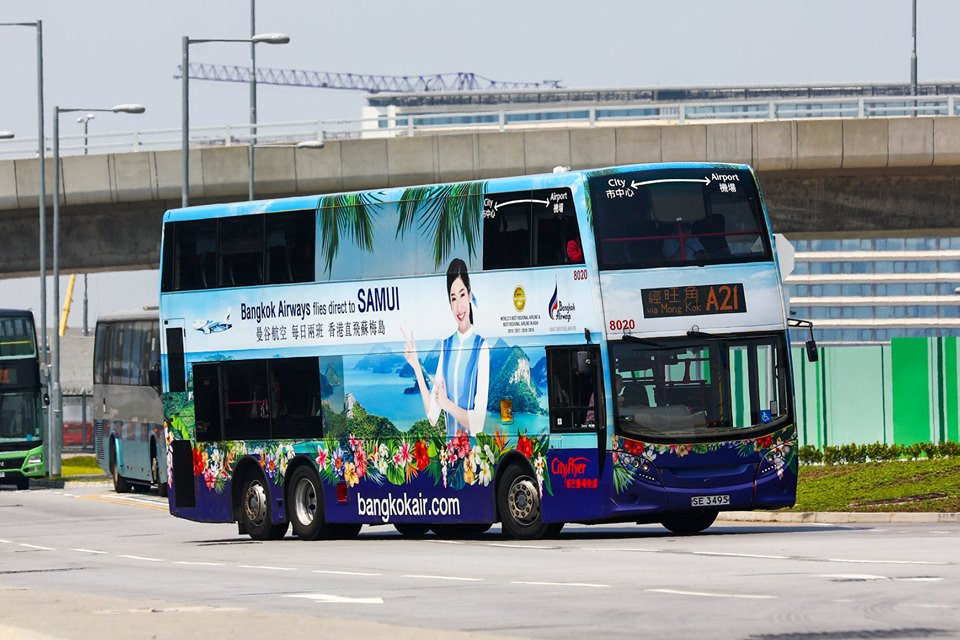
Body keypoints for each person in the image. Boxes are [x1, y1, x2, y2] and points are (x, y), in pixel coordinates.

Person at [403, 258, 490, 436]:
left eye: (462, 295)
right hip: (450, 452)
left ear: (470, 295)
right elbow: (432, 415)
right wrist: (416, 366)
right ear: (450, 304)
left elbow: (478, 424)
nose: (459, 306)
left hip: (474, 451)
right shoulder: (446, 345)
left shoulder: (481, 346)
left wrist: (447, 404)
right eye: (453, 298)